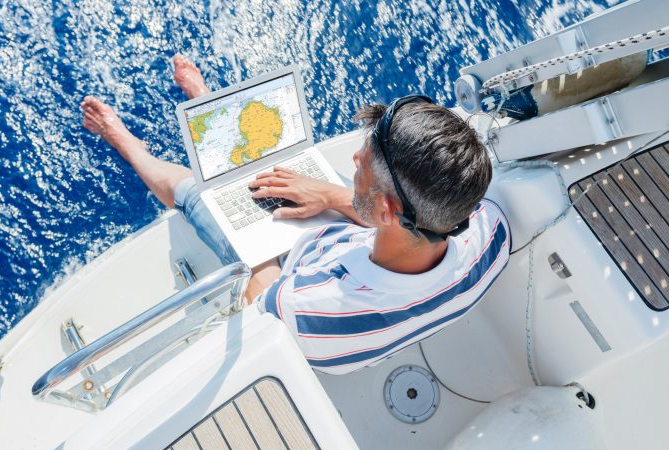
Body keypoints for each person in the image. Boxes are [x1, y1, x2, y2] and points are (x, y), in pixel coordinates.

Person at [82, 55, 510, 374]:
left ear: (384, 211)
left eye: (363, 161)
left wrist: (249, 232)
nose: (355, 156)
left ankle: (118, 135)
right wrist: (327, 193)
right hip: (362, 241)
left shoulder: (313, 312)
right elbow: (405, 223)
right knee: (291, 176)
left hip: (300, 271)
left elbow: (259, 291)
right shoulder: (491, 233)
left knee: (195, 193)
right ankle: (209, 112)